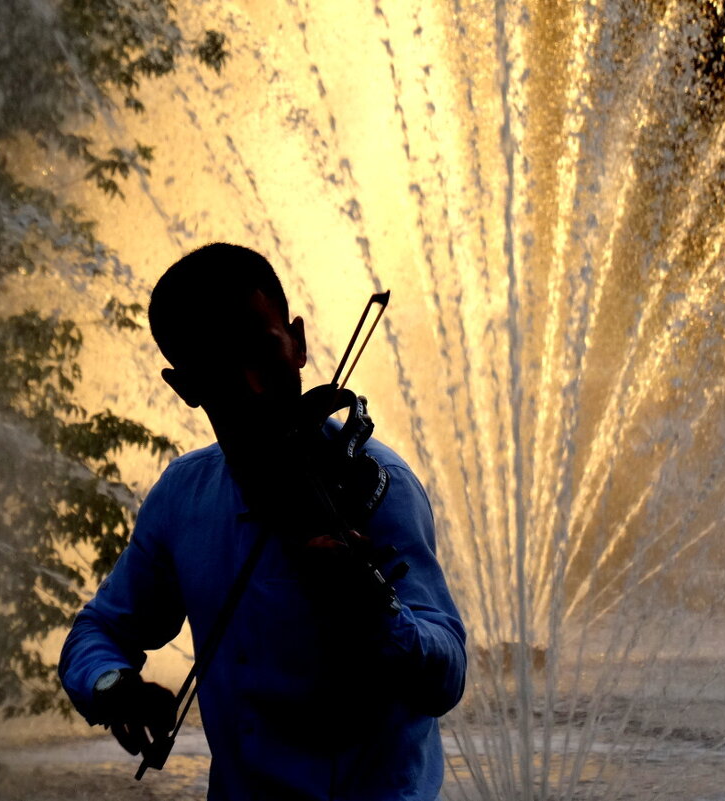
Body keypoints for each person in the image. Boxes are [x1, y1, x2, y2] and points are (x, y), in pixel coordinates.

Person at [58, 243, 467, 800]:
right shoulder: (184, 496)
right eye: (219, 368)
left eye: (263, 349)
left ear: (296, 342)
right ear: (185, 387)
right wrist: (112, 685)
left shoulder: (377, 486)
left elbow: (445, 678)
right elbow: (99, 629)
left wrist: (372, 605)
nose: (252, 385)